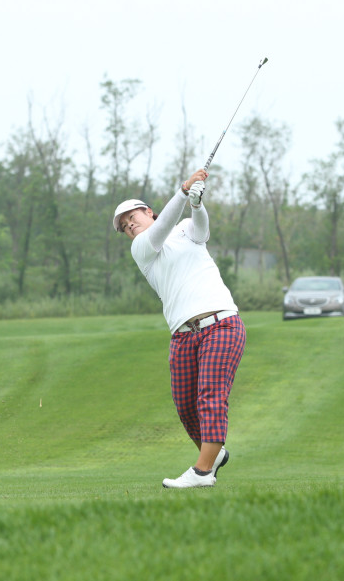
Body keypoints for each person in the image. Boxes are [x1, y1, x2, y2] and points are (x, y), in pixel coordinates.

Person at [112, 169, 246, 488]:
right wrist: (184, 191)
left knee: (209, 395)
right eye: (125, 227)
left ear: (148, 211)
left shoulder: (185, 228)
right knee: (186, 407)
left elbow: (201, 232)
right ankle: (215, 454)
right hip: (182, 336)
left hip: (220, 323)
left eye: (132, 217)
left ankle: (202, 471)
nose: (129, 226)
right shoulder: (142, 248)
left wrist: (197, 205)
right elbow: (160, 231)